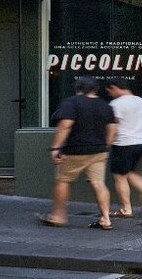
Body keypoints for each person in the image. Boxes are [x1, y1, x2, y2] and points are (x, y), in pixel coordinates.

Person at [38, 76, 116, 230]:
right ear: (96, 89)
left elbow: (65, 125)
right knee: (99, 183)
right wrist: (105, 144)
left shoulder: (71, 102)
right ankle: (105, 218)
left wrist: (55, 148)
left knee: (63, 180)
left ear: (77, 88)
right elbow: (113, 128)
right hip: (99, 150)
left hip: (75, 150)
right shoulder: (105, 105)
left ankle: (58, 216)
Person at [105, 79, 142, 218]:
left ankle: (126, 209)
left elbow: (114, 127)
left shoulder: (116, 104)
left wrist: (107, 144)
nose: (110, 94)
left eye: (110, 91)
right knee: (130, 172)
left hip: (123, 143)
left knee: (120, 176)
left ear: (114, 87)